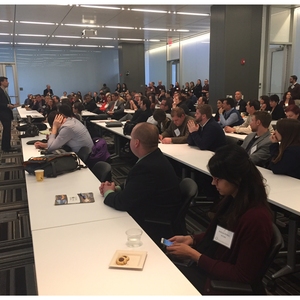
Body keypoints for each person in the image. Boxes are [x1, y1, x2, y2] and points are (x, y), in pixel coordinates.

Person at [166, 144, 273, 295]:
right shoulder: (234, 200)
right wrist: (192, 239)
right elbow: (222, 235)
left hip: (218, 284)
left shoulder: (256, 219)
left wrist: (194, 255)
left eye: (218, 179)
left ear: (237, 178)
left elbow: (242, 275)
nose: (213, 183)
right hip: (210, 268)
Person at [101, 122, 181, 243]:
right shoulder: (154, 158)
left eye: (131, 138)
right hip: (156, 211)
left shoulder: (147, 168)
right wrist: (116, 188)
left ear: (136, 142)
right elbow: (136, 185)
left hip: (149, 222)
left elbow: (123, 203)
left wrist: (108, 193)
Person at [0, 76, 18, 152]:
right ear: (1, 82)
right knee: (6, 130)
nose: (8, 82)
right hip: (3, 113)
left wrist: (12, 105)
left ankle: (6, 146)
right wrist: (7, 105)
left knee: (7, 130)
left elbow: (5, 102)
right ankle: (6, 147)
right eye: (6, 81)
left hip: (6, 112)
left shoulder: (4, 91)